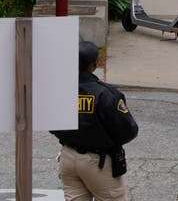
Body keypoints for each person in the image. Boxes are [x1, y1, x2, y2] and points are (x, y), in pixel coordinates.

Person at [51, 41, 139, 200]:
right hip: (98, 163)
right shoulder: (106, 94)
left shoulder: (59, 90)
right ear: (94, 65)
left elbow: (51, 123)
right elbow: (128, 131)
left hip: (68, 157)